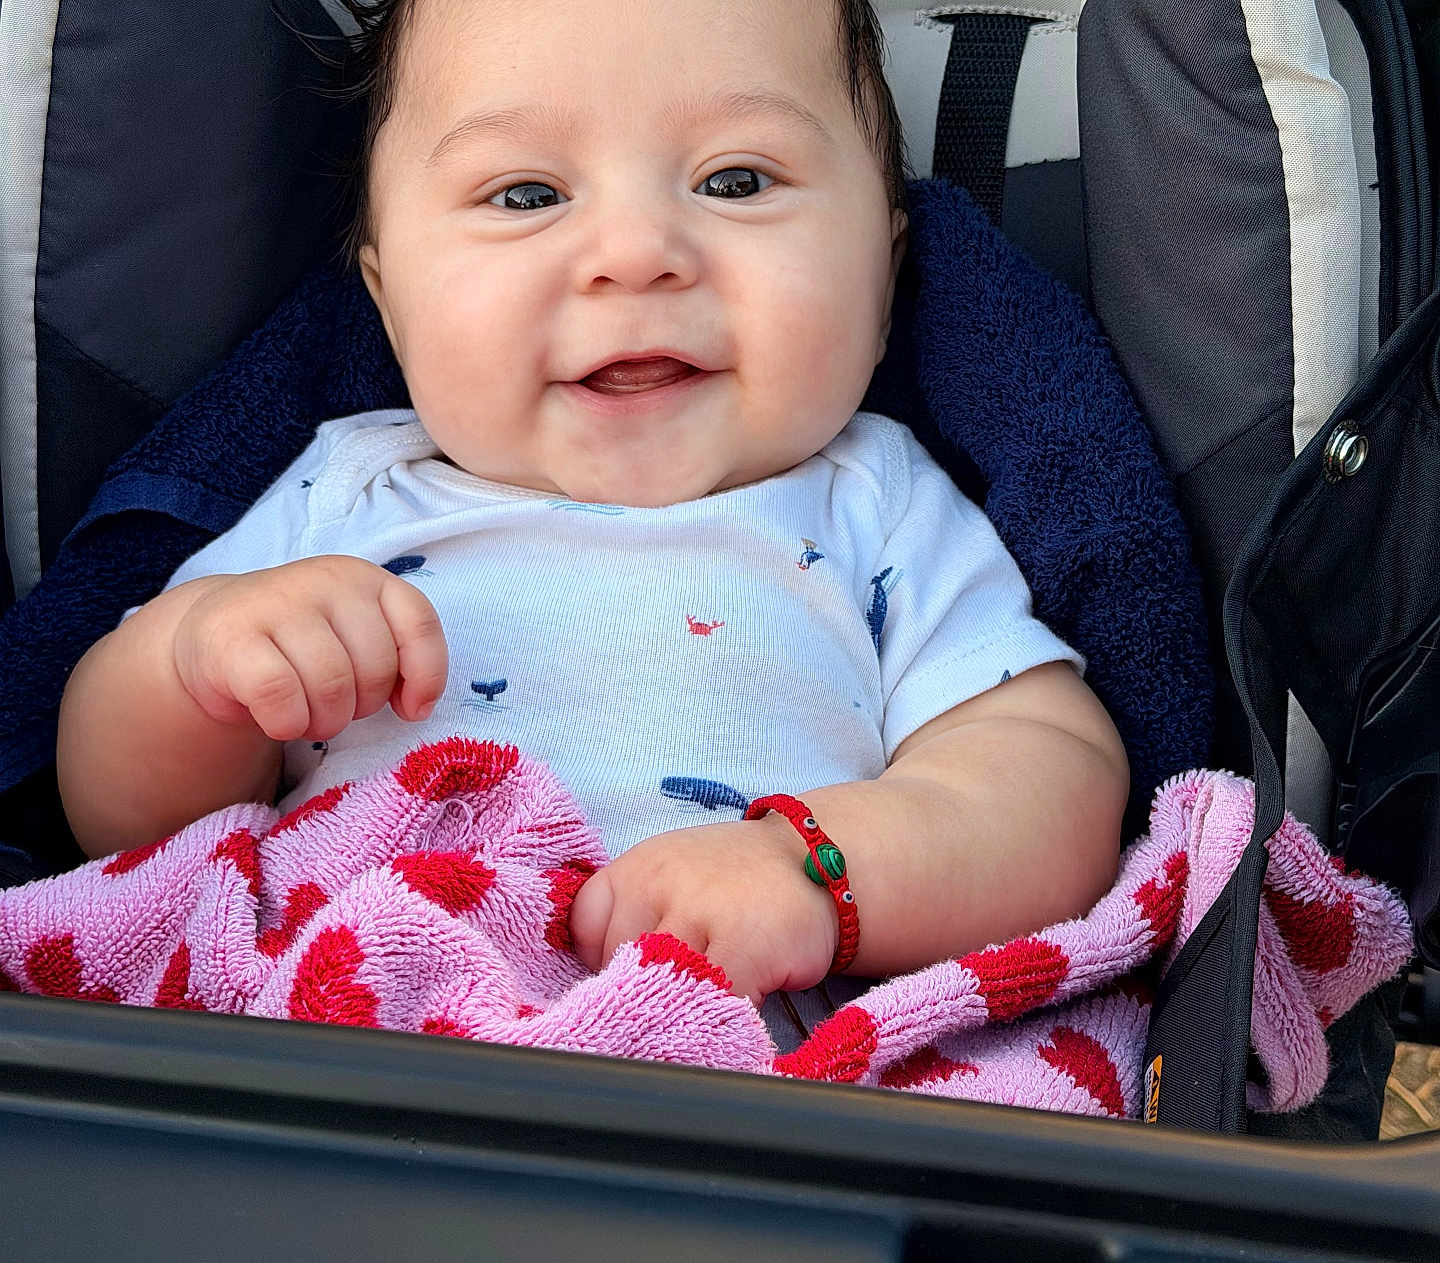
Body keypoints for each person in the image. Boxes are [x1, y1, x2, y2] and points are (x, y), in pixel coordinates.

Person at [55, 0, 1129, 1024]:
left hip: (722, 1082)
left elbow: (1049, 780)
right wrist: (202, 664)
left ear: (885, 272)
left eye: (737, 179)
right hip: (355, 1053)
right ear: (389, 301)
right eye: (526, 195)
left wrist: (815, 870)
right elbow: (128, 828)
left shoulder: (875, 505)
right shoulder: (346, 495)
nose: (635, 255)